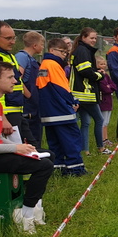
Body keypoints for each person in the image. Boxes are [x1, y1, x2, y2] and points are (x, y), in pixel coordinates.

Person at [0, 60, 54, 234]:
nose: (15, 81)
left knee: (48, 155)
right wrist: (15, 149)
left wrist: (21, 146)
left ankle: (35, 207)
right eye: (10, 77)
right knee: (43, 166)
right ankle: (26, 216)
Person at [36, 39, 85, 176]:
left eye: (66, 52)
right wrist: (72, 101)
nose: (64, 55)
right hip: (61, 110)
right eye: (62, 52)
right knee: (72, 139)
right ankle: (76, 169)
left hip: (48, 111)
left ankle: (58, 167)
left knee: (55, 142)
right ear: (52, 50)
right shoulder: (53, 64)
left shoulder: (44, 65)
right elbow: (62, 87)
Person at [70, 27, 110, 155]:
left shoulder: (81, 49)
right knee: (99, 119)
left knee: (86, 123)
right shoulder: (83, 51)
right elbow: (85, 71)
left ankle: (85, 150)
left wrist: (95, 71)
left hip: (79, 93)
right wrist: (99, 75)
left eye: (95, 38)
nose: (94, 40)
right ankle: (101, 148)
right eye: (91, 38)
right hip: (86, 93)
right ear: (83, 37)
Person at [16, 31, 45, 146]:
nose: (43, 47)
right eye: (42, 44)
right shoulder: (22, 57)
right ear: (34, 45)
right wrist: (29, 95)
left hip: (34, 105)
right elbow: (17, 78)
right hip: (27, 105)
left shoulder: (32, 59)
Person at [97, 57, 117, 147]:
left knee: (107, 121)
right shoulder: (99, 76)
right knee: (103, 122)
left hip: (109, 101)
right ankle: (103, 139)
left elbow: (113, 86)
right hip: (103, 101)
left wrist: (110, 86)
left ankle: (106, 138)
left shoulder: (106, 75)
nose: (103, 66)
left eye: (104, 64)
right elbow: (105, 88)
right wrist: (108, 87)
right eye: (101, 64)